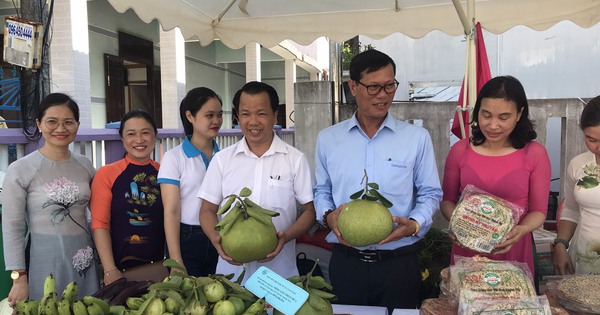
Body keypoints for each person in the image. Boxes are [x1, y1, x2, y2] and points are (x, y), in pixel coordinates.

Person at [314, 49, 443, 310]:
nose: (383, 95)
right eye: (373, 87)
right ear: (353, 87)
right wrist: (328, 215)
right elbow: (321, 190)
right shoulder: (329, 139)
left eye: (389, 85)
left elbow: (430, 193)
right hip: (347, 262)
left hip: (399, 263)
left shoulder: (416, 138)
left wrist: (415, 224)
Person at [199, 81, 316, 283]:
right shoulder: (222, 160)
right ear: (237, 117)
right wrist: (215, 239)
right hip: (231, 275)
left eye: (261, 113)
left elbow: (310, 211)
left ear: (274, 115)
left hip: (280, 276)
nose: (253, 121)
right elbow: (207, 209)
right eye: (245, 114)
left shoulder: (294, 159)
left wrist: (285, 237)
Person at [441, 75, 551, 275]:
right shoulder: (459, 150)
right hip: (468, 248)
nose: (492, 125)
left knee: (513, 304)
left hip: (513, 249)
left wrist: (521, 230)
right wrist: (459, 225)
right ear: (477, 113)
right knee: (468, 304)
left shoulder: (535, 153)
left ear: (519, 114)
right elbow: (447, 201)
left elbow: (539, 211)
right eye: (486, 115)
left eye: (503, 117)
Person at [2, 93, 99, 304]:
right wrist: (19, 278)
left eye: (68, 122)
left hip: (84, 258)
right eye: (52, 122)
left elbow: (100, 214)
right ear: (39, 124)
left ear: (77, 125)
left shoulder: (85, 165)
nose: (60, 129)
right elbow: (13, 227)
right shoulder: (20, 169)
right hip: (42, 260)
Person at [91, 109, 165, 285]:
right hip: (119, 271)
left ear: (155, 136)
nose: (139, 140)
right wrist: (109, 269)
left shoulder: (164, 173)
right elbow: (100, 224)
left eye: (145, 133)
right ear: (123, 140)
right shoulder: (106, 174)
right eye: (131, 134)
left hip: (160, 268)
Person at [158, 87, 223, 276]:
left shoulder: (226, 157)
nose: (216, 121)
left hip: (223, 236)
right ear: (190, 116)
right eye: (209, 115)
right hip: (188, 239)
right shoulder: (174, 158)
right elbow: (171, 211)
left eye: (219, 115)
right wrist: (176, 260)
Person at [553, 95, 600, 275]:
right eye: (591, 140)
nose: (598, 147)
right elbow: (571, 209)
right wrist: (560, 245)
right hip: (584, 258)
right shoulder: (578, 164)